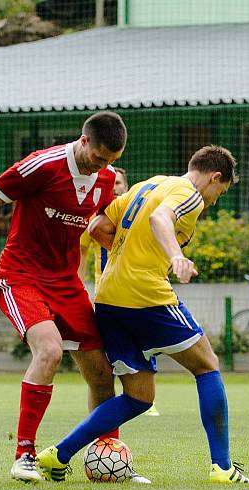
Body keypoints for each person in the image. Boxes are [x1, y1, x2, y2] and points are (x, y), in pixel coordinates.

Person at [36, 145, 249, 484]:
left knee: (139, 396)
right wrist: (174, 256)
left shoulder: (148, 184)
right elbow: (159, 218)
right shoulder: (189, 193)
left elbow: (97, 228)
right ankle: (223, 468)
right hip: (146, 296)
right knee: (207, 365)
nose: (213, 202)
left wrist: (128, 259)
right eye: (219, 194)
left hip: (109, 299)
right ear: (215, 177)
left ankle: (56, 455)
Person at [0, 112, 136, 483]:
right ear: (84, 141)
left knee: (102, 375)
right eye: (100, 158)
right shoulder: (43, 165)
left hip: (66, 284)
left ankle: (107, 458)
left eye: (111, 163)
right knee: (50, 350)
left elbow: (100, 228)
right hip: (20, 277)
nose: (104, 168)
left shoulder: (105, 181)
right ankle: (23, 454)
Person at [78, 168, 161, 418]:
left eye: (119, 184)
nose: (114, 188)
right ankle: (101, 425)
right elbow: (80, 255)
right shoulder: (94, 219)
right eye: (110, 185)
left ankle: (141, 394)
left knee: (144, 348)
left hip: (139, 295)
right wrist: (80, 290)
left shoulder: (139, 215)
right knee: (102, 366)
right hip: (107, 298)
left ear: (128, 188)